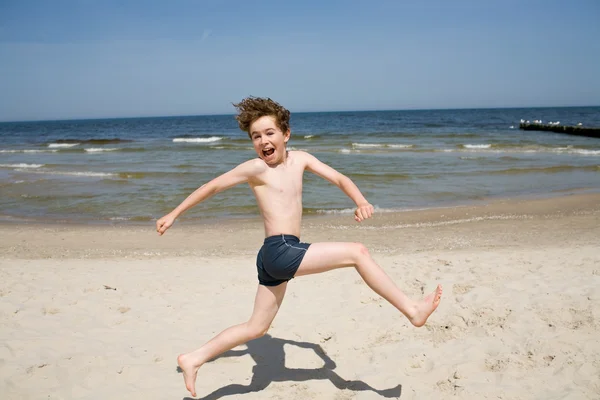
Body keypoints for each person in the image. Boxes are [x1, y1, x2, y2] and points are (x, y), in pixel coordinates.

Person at [156, 97, 443, 397]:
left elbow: (339, 177)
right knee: (357, 252)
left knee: (256, 329)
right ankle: (412, 310)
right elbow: (211, 186)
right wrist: (173, 214)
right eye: (256, 136)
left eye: (269, 133)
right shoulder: (256, 168)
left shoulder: (302, 159)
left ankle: (194, 358)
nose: (263, 141)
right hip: (278, 250)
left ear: (286, 134)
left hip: (273, 254)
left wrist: (360, 201)